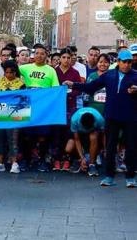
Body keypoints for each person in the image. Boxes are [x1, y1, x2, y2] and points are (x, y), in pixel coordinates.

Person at [63, 49, 137, 187]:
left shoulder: (135, 76)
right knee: (110, 147)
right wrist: (73, 84)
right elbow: (91, 87)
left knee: (131, 147)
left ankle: (131, 177)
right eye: (124, 62)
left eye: (129, 62)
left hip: (130, 117)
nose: (126, 65)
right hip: (112, 116)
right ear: (118, 62)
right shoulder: (109, 75)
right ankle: (109, 176)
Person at [19, 43, 59, 172]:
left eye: (42, 53)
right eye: (37, 53)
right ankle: (26, 160)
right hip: (27, 107)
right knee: (26, 136)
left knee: (43, 135)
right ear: (33, 55)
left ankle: (42, 160)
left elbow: (56, 89)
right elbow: (9, 70)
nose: (39, 55)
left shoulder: (51, 70)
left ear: (46, 56)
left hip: (44, 108)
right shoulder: (25, 68)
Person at [0, 60, 25, 174]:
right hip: (0, 113)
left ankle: (14, 163)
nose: (9, 75)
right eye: (7, 72)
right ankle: (0, 163)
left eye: (11, 72)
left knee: (13, 139)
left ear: (15, 72)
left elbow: (23, 100)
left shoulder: (21, 84)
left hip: (15, 114)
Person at [53, 48, 81, 171]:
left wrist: (69, 93)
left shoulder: (75, 73)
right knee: (57, 134)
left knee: (70, 133)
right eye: (63, 57)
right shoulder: (54, 71)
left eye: (68, 58)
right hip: (57, 107)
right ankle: (57, 159)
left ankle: (67, 158)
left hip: (71, 107)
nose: (66, 60)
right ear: (60, 58)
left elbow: (78, 89)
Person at [66, 108, 105, 177]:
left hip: (93, 133)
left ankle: (92, 164)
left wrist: (105, 149)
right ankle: (78, 160)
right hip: (80, 134)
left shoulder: (99, 119)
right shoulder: (74, 120)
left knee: (93, 136)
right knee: (68, 148)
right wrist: (82, 158)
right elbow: (77, 139)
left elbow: (103, 135)